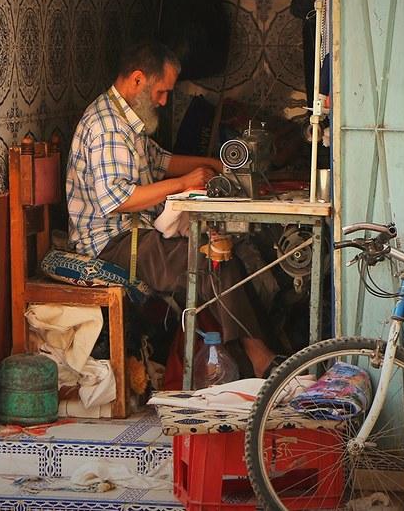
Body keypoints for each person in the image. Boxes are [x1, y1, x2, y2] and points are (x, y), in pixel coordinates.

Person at [66, 40, 278, 378]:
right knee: (212, 260)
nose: (164, 102)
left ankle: (263, 355)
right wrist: (184, 184)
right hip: (113, 246)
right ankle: (260, 359)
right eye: (161, 92)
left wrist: (215, 164)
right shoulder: (108, 128)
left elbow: (162, 161)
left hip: (134, 234)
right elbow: (118, 200)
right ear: (137, 80)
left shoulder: (125, 119)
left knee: (232, 251)